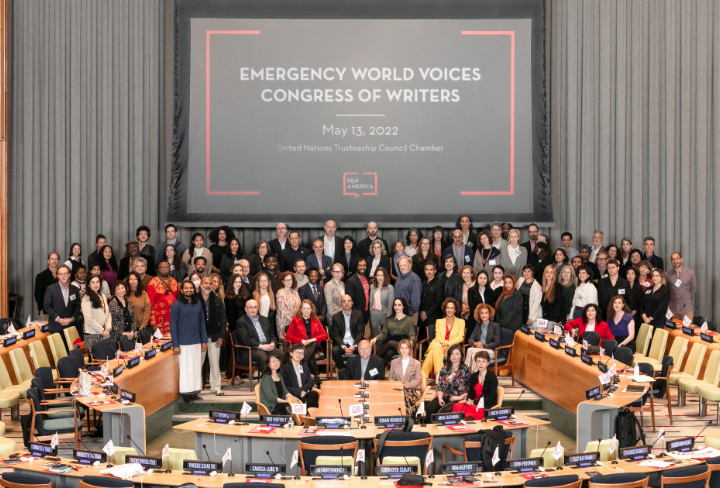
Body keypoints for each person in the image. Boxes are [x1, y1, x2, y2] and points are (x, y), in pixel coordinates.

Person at [170, 281, 207, 403]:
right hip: (183, 343)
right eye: (186, 288)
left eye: (191, 288)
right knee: (186, 369)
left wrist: (204, 341)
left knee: (196, 368)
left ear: (194, 290)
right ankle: (186, 394)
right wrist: (176, 344)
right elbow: (173, 326)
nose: (189, 290)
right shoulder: (176, 305)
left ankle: (194, 392)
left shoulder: (198, 304)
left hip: (196, 341)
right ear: (182, 290)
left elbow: (202, 322)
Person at [285, 300, 328, 385]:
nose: (306, 311)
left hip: (313, 346)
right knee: (311, 357)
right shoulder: (295, 320)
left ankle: (304, 363)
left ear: (311, 310)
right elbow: (288, 336)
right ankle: (316, 376)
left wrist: (313, 339)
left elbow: (324, 335)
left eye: (308, 308)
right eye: (304, 308)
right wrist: (301, 341)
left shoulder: (315, 320)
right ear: (301, 309)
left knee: (314, 343)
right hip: (300, 346)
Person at [198, 276, 228, 396]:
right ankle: (197, 388)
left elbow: (223, 319)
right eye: (206, 283)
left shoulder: (217, 300)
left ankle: (216, 387)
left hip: (215, 337)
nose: (208, 285)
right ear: (201, 284)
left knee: (214, 363)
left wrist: (221, 336)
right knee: (198, 363)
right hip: (199, 339)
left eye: (210, 283)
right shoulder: (195, 300)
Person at [235, 299, 278, 378]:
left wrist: (272, 343)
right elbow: (245, 340)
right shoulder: (241, 322)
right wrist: (261, 346)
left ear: (258, 308)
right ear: (245, 309)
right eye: (250, 307)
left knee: (280, 354)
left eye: (255, 307)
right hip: (252, 349)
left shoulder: (264, 319)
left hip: (267, 345)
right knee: (263, 357)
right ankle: (267, 382)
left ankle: (278, 380)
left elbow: (272, 334)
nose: (253, 309)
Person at [421, 299, 466, 377]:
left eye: (452, 308)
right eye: (448, 308)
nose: (450, 310)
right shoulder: (439, 321)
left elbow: (460, 338)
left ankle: (423, 377)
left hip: (451, 346)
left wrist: (447, 344)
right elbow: (438, 336)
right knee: (437, 346)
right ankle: (439, 376)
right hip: (438, 343)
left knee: (432, 352)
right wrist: (442, 344)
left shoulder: (461, 322)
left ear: (455, 310)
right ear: (445, 309)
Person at [425, 344, 470, 416]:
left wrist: (460, 397)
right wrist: (440, 399)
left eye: (457, 354)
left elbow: (470, 389)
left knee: (444, 412)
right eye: (452, 354)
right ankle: (431, 427)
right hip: (444, 397)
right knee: (429, 408)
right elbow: (440, 387)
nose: (454, 356)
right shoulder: (444, 369)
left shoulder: (465, 369)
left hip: (457, 399)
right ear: (449, 356)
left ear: (461, 355)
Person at [371, 297, 416, 366]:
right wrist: (376, 338)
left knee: (391, 342)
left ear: (403, 306)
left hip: (404, 345)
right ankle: (377, 374)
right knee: (389, 353)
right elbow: (383, 334)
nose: (397, 307)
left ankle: (372, 360)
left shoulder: (408, 320)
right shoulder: (389, 319)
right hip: (393, 347)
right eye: (395, 305)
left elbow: (412, 335)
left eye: (399, 305)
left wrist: (411, 341)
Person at [44, 264, 81, 348]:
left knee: (72, 353)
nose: (63, 276)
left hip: (71, 326)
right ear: (57, 276)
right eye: (61, 274)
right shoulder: (51, 289)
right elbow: (47, 306)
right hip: (56, 327)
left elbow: (77, 306)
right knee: (59, 354)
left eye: (65, 273)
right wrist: (58, 319)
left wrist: (72, 318)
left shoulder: (74, 289)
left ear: (69, 275)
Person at [457, 350, 499, 420]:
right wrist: (469, 400)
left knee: (467, 413)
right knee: (457, 406)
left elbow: (491, 398)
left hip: (486, 406)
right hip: (474, 404)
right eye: (478, 361)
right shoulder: (473, 376)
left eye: (484, 361)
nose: (481, 364)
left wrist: (474, 402)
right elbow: (470, 394)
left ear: (488, 363)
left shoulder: (492, 377)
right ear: (475, 363)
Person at [330, 294, 365, 369]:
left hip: (355, 343)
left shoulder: (358, 314)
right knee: (335, 351)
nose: (346, 303)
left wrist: (354, 347)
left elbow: (360, 332)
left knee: (364, 350)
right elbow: (336, 335)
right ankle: (343, 372)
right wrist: (344, 347)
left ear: (352, 303)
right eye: (344, 301)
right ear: (341, 303)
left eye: (348, 301)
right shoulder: (336, 317)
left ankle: (357, 372)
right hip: (342, 344)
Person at [389, 339, 423, 415]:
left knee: (405, 397)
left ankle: (409, 421)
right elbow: (391, 378)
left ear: (410, 349)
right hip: (397, 390)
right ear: (399, 349)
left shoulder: (417, 363)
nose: (404, 350)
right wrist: (397, 386)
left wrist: (403, 386)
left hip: (412, 391)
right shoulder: (394, 362)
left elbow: (417, 380)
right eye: (402, 348)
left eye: (406, 348)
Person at [282, 344, 320, 409]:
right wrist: (299, 392)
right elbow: (285, 386)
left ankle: (311, 415)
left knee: (314, 394)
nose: (299, 355)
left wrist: (303, 391)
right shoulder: (285, 368)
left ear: (303, 356)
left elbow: (310, 383)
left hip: (304, 392)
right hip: (292, 394)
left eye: (301, 353)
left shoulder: (305, 368)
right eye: (297, 352)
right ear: (291, 353)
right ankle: (303, 414)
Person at [81, 275, 111, 355]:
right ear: (89, 285)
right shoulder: (86, 298)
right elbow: (88, 319)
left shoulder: (102, 296)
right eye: (93, 282)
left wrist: (108, 328)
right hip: (92, 335)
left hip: (103, 334)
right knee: (98, 362)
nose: (95, 284)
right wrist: (102, 331)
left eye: (97, 282)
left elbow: (108, 314)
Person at [465, 304, 501, 370]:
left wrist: (483, 346)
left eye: (486, 313)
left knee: (469, 350)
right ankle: (473, 376)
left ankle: (466, 373)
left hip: (492, 351)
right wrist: (475, 344)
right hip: (478, 350)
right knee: (474, 355)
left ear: (489, 315)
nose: (484, 315)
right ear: (479, 315)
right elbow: (470, 339)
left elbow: (497, 343)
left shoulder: (495, 325)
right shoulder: (478, 325)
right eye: (482, 313)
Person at [147, 261, 179, 335]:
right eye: (162, 267)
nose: (164, 269)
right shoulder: (152, 283)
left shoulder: (174, 281)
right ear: (158, 269)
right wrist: (153, 323)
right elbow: (150, 304)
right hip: (159, 319)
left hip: (172, 316)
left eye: (166, 267)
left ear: (169, 269)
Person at [419, 262, 445, 344]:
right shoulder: (423, 283)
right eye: (427, 269)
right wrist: (421, 312)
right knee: (422, 342)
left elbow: (439, 302)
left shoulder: (439, 284)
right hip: (423, 317)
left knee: (433, 342)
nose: (429, 272)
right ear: (424, 271)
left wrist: (426, 313)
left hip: (434, 317)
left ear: (435, 271)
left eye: (431, 269)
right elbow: (420, 299)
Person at [666, 253, 697, 321]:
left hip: (686, 310)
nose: (675, 261)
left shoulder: (690, 273)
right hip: (672, 310)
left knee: (686, 331)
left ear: (681, 260)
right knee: (673, 331)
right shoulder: (667, 274)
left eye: (677, 258)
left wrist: (685, 299)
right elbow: (666, 290)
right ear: (671, 262)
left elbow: (693, 289)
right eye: (673, 259)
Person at [395, 256, 422, 325]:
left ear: (410, 265)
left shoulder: (415, 279)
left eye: (404, 265)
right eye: (400, 265)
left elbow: (415, 303)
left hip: (409, 316)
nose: (402, 267)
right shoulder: (399, 277)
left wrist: (407, 314)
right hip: (399, 314)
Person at [368, 267, 394, 337]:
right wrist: (371, 311)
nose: (380, 277)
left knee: (385, 337)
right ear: (375, 276)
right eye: (378, 275)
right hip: (374, 314)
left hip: (385, 314)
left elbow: (390, 305)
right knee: (375, 337)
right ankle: (376, 348)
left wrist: (389, 318)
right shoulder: (371, 287)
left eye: (382, 275)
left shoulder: (390, 287)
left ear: (385, 276)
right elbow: (370, 302)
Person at [275, 271, 301, 340]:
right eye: (286, 280)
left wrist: (297, 321)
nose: (288, 282)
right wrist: (293, 321)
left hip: (295, 322)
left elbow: (299, 307)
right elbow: (282, 310)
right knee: (285, 344)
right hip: (284, 322)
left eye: (290, 280)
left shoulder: (295, 292)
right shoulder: (280, 292)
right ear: (283, 282)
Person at [344, 258, 370, 324]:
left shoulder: (367, 278)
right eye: (360, 265)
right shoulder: (351, 281)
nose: (362, 267)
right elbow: (349, 300)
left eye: (364, 265)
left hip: (366, 312)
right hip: (356, 314)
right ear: (356, 266)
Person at [35, 252, 59, 318]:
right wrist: (43, 307)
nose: (54, 261)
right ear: (48, 261)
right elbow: (37, 294)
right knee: (47, 328)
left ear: (58, 261)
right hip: (46, 312)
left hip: (60, 311)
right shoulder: (41, 276)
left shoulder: (62, 276)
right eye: (52, 259)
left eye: (56, 259)